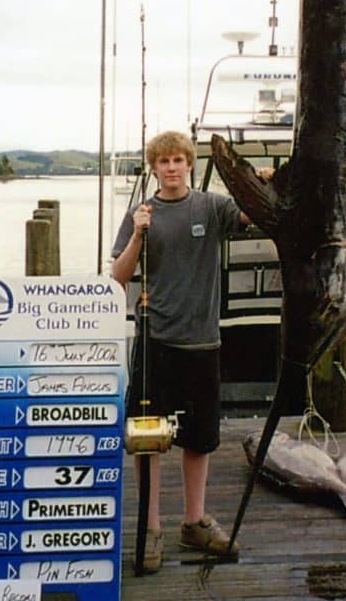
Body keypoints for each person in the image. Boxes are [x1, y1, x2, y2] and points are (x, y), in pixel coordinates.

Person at [112, 130, 249, 574]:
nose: (171, 167)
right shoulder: (140, 213)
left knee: (200, 439)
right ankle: (150, 528)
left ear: (189, 163)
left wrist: (265, 181)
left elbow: (252, 217)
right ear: (153, 167)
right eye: (163, 161)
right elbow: (118, 275)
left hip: (203, 340)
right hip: (156, 343)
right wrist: (137, 234)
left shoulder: (211, 207)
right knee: (148, 439)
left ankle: (193, 521)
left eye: (178, 160)